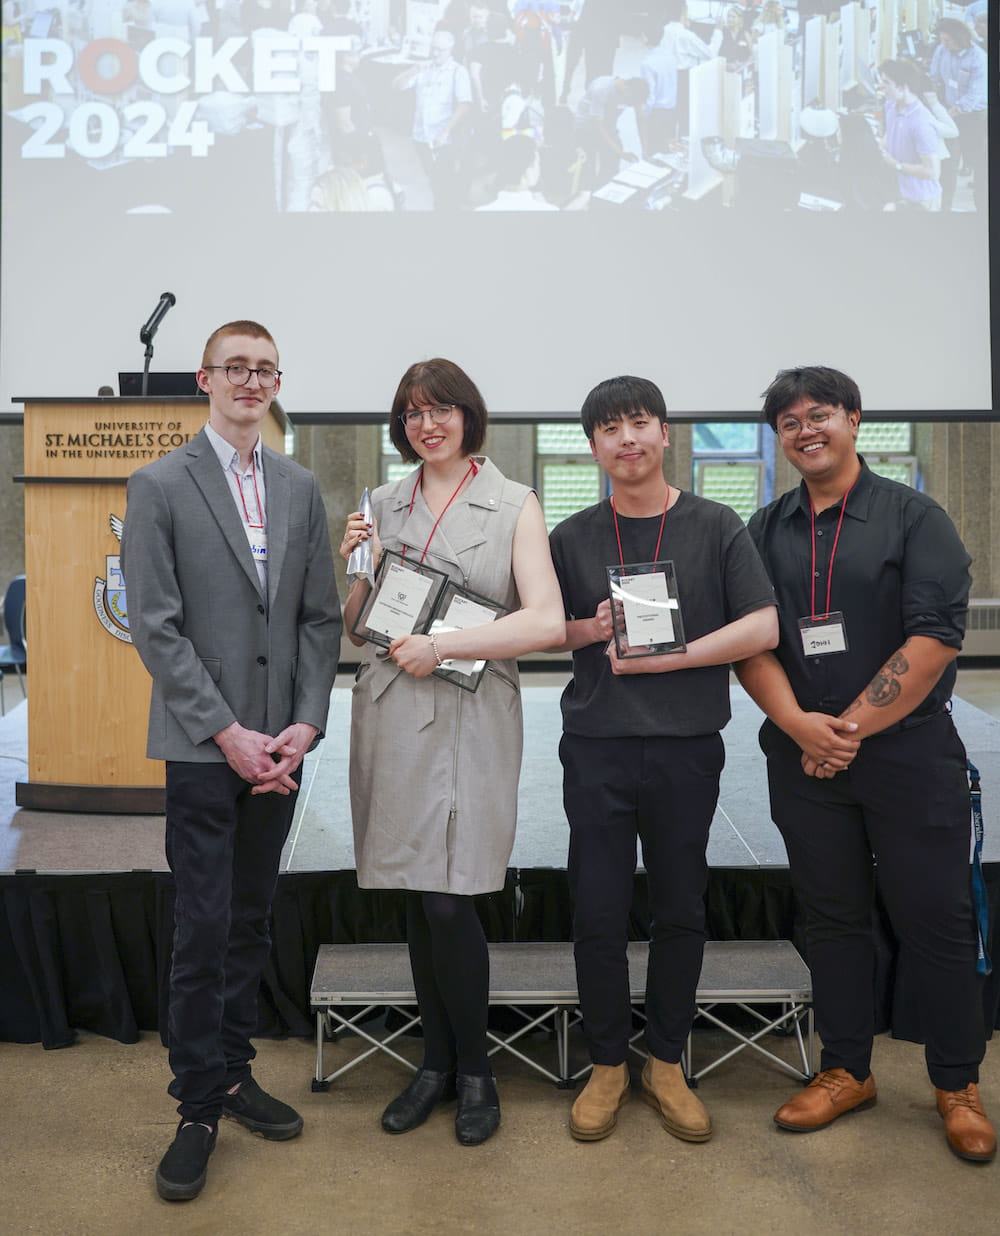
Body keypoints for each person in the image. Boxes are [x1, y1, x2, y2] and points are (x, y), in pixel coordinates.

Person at [735, 365, 995, 1164]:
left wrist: (840, 731)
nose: (805, 431)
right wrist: (799, 728)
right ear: (778, 438)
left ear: (854, 419)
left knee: (936, 919)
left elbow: (933, 640)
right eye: (788, 423)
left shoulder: (916, 518)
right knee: (832, 918)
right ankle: (848, 1068)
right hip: (801, 758)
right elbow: (752, 639)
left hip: (909, 755)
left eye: (820, 415)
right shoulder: (764, 529)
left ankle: (957, 1082)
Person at [121, 321, 342, 1201]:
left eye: (265, 369)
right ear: (206, 379)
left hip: (280, 745)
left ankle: (236, 1070)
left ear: (276, 382)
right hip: (205, 746)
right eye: (235, 368)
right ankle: (196, 1104)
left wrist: (305, 725)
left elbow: (319, 621)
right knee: (203, 924)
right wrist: (227, 733)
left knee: (252, 916)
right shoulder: (159, 484)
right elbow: (155, 626)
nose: (250, 380)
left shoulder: (298, 486)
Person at [340, 358, 564, 1146]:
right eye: (411, 413)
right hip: (395, 710)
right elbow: (358, 624)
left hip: (469, 715)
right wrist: (353, 565)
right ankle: (432, 1065)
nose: (425, 425)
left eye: (440, 410)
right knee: (411, 892)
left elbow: (544, 622)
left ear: (470, 416)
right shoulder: (380, 501)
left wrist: (447, 643)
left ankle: (475, 1071)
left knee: (451, 895)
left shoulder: (514, 503)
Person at [548, 376, 778, 1143]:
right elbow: (545, 632)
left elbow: (762, 627)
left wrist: (672, 659)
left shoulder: (716, 526)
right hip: (597, 749)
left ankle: (667, 1059)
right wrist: (589, 626)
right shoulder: (572, 535)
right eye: (609, 429)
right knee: (600, 908)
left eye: (640, 423)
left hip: (686, 747)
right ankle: (608, 1062)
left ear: (665, 433)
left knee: (680, 905)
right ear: (593, 447)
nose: (627, 439)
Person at [929, 17, 987, 211]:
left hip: (973, 116)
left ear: (960, 38)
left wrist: (953, 112)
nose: (944, 44)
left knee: (979, 163)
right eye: (942, 40)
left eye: (948, 40)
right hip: (949, 112)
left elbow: (975, 93)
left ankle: (982, 209)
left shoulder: (978, 58)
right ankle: (944, 209)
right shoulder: (942, 50)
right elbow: (935, 78)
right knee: (949, 163)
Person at [877, 60, 941, 210]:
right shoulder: (890, 105)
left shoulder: (922, 123)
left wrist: (896, 165)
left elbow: (932, 172)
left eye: (886, 82)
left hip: (920, 200)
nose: (881, 87)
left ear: (903, 86)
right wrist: (880, 146)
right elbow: (890, 132)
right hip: (897, 192)